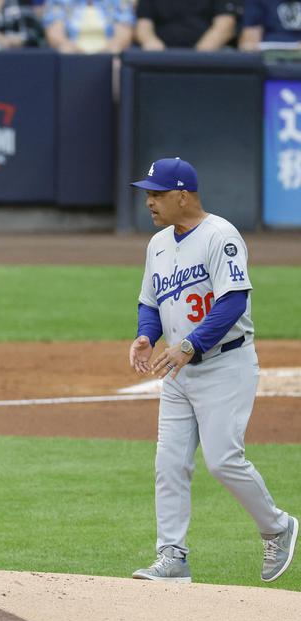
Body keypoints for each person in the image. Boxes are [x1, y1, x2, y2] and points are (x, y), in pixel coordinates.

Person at [129, 157, 297, 584]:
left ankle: (277, 526)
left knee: (223, 461)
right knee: (168, 464)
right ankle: (172, 555)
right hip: (179, 371)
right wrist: (147, 335)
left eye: (157, 194)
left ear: (183, 194)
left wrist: (190, 343)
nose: (149, 202)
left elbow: (232, 302)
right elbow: (151, 301)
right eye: (148, 194)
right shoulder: (159, 244)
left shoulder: (221, 236)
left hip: (226, 365)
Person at [135, 0, 238, 51]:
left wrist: (197, 57)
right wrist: (151, 44)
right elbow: (143, 24)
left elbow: (226, 25)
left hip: (209, 54)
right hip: (159, 56)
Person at [42, 0, 134, 54]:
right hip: (71, 57)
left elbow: (123, 35)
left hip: (109, 57)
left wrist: (107, 53)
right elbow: (55, 34)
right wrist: (72, 51)